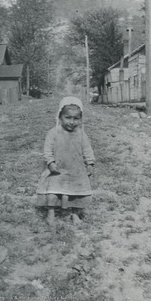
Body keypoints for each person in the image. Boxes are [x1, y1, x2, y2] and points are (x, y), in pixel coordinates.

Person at [36, 96, 95, 225]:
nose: (71, 122)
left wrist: (90, 163)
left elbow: (87, 149)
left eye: (76, 118)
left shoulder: (81, 134)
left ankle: (74, 214)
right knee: (53, 191)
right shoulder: (53, 133)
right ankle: (51, 214)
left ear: (80, 119)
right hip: (57, 168)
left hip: (76, 170)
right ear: (60, 117)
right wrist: (50, 162)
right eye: (68, 118)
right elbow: (47, 150)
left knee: (76, 193)